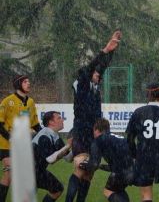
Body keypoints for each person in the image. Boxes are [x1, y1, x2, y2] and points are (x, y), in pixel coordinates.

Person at [66, 30, 121, 202]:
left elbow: (101, 67)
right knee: (81, 168)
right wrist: (104, 50)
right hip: (82, 132)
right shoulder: (82, 84)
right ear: (88, 75)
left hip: (94, 133)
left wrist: (111, 52)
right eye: (95, 73)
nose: (99, 75)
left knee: (89, 172)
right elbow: (91, 67)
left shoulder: (93, 85)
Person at [0, 74, 42, 201]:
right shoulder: (7, 101)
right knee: (10, 172)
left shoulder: (30, 102)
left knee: (15, 175)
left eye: (29, 81)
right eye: (25, 82)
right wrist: (10, 138)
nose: (28, 84)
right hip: (6, 144)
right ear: (18, 84)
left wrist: (44, 134)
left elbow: (35, 124)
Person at [79, 118, 134, 201]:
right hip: (135, 168)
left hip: (123, 169)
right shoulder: (115, 138)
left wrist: (85, 165)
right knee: (118, 190)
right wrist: (101, 166)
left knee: (108, 191)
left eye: (93, 130)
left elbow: (94, 164)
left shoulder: (98, 140)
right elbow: (116, 164)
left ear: (96, 130)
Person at [32, 111, 71, 202]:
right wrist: (67, 146)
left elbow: (68, 158)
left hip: (37, 170)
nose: (62, 120)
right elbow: (50, 160)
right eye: (59, 118)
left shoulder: (56, 137)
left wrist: (77, 147)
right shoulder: (44, 136)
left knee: (57, 189)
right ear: (51, 122)